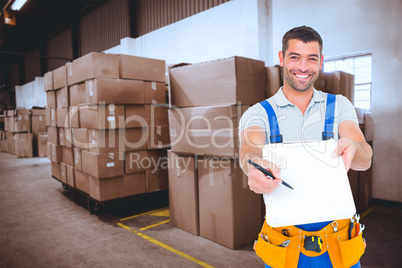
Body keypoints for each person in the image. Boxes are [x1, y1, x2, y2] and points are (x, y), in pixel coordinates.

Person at [239, 26, 372, 268]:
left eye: (311, 58)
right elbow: (250, 149)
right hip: (285, 242)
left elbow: (365, 156)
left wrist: (353, 147)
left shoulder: (339, 105)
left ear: (320, 62)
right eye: (294, 57)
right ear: (281, 59)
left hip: (339, 241)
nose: (303, 67)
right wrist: (255, 166)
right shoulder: (259, 113)